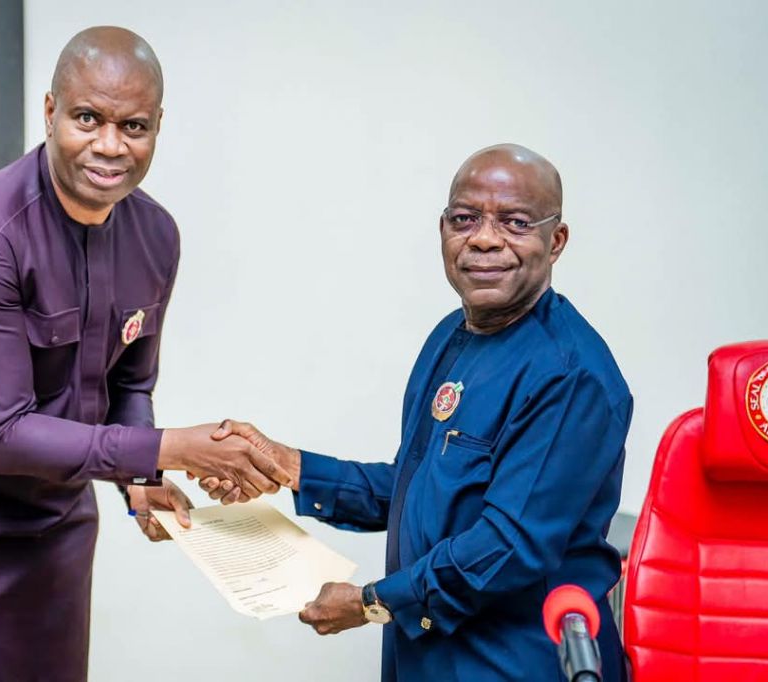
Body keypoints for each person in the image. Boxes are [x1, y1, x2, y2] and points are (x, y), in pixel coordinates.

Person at [0, 26, 290, 682]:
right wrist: (171, 450)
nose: (110, 146)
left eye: (134, 126)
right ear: (52, 111)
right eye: (88, 118)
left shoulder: (156, 235)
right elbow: (0, 436)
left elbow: (131, 388)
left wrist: (142, 481)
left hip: (58, 521)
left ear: (158, 126)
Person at [203, 144, 631, 681]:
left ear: (557, 240)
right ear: (444, 229)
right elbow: (421, 490)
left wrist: (370, 602)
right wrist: (291, 468)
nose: (484, 238)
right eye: (465, 218)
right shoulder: (451, 339)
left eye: (516, 222)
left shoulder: (571, 376)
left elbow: (508, 545)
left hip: (515, 664)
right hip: (425, 660)